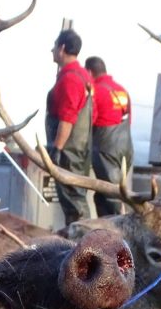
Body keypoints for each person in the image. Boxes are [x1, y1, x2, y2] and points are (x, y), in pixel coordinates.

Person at [46, 29, 95, 225]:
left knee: (74, 202)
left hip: (69, 151)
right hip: (79, 148)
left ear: (62, 48)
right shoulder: (83, 76)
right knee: (75, 198)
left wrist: (56, 148)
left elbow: (67, 118)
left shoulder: (70, 79)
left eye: (54, 46)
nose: (51, 50)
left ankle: (82, 246)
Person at [85, 56, 134, 216]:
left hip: (106, 147)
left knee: (111, 195)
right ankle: (105, 232)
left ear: (89, 72)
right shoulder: (121, 90)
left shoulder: (96, 90)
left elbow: (91, 118)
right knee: (105, 193)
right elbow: (128, 118)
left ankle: (115, 236)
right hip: (125, 145)